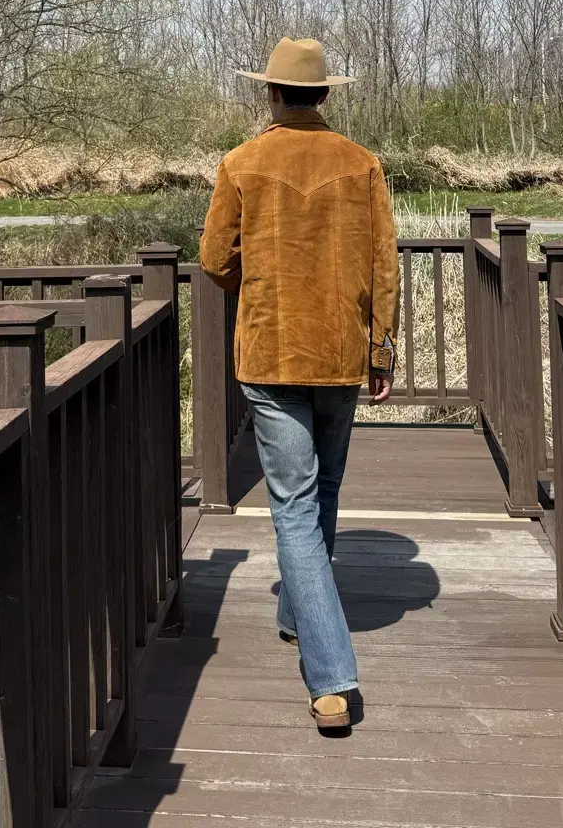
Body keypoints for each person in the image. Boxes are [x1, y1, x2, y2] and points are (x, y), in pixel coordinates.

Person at [200, 36, 400, 730]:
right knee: (322, 494)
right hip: (341, 353)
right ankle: (298, 615)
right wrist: (380, 351)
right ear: (323, 94)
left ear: (271, 93)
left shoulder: (242, 163)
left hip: (271, 351)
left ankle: (332, 678)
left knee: (292, 505)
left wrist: (258, 284)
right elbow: (383, 265)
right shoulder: (360, 164)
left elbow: (212, 258)